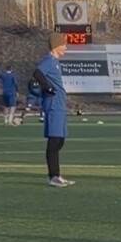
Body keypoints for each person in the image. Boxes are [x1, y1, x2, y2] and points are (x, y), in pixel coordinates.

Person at [32, 34, 74, 186]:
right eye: (63, 45)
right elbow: (37, 73)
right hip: (53, 105)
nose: (65, 48)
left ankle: (57, 175)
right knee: (54, 141)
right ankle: (53, 176)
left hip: (59, 105)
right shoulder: (49, 61)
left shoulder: (55, 62)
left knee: (60, 140)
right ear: (56, 46)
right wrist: (48, 88)